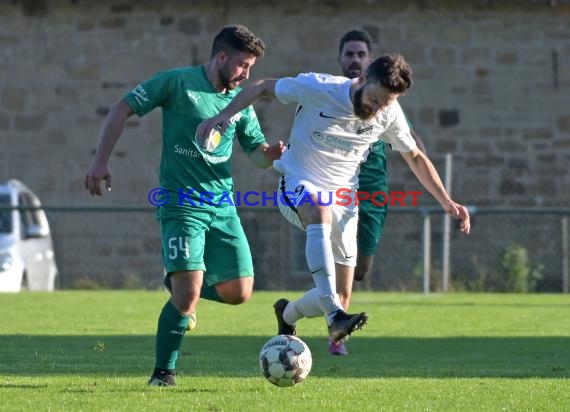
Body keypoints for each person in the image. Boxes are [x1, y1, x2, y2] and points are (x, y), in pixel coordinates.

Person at [198, 52, 471, 350]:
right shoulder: (320, 88)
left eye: (385, 104)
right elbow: (262, 86)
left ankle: (288, 313)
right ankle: (335, 317)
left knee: (340, 294)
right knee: (319, 211)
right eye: (375, 99)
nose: (377, 109)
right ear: (362, 79)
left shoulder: (388, 114)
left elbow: (415, 156)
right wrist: (224, 114)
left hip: (344, 199)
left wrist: (446, 200)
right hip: (298, 182)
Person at [84, 25, 284, 387]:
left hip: (223, 207)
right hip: (181, 205)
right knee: (188, 296)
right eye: (242, 65)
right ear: (221, 57)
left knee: (239, 293)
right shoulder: (178, 83)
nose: (246, 74)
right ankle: (163, 373)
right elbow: (122, 108)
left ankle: (177, 286)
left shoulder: (240, 103)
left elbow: (256, 155)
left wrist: (268, 156)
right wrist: (101, 161)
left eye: (252, 67)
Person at [329, 29, 428, 355]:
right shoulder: (330, 94)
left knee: (360, 269)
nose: (354, 60)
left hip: (372, 190)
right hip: (334, 186)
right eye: (349, 54)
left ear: (369, 61)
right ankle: (337, 332)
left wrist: (425, 172)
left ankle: (312, 301)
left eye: (360, 54)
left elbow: (411, 145)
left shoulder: (386, 102)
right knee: (336, 256)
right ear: (340, 60)